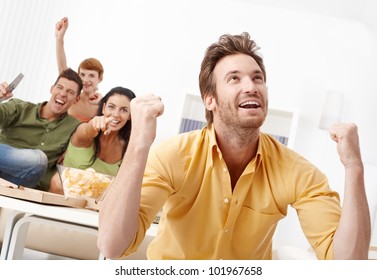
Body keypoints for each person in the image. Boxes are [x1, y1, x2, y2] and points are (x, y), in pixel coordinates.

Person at [97, 32, 371, 260]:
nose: (252, 86)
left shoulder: (296, 171)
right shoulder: (175, 156)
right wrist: (139, 144)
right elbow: (112, 245)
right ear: (210, 100)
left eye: (258, 78)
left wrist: (354, 167)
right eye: (234, 78)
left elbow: (346, 264)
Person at [0, 68, 83, 191]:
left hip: (25, 183)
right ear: (52, 89)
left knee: (38, 160)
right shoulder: (19, 108)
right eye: (59, 87)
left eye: (70, 92)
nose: (63, 94)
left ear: (77, 99)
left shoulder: (75, 127)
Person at [49, 86, 136, 194]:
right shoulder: (83, 132)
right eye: (111, 107)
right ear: (103, 108)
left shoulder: (127, 148)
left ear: (130, 116)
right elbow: (87, 130)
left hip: (95, 205)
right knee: (58, 180)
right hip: (62, 199)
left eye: (124, 110)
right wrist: (93, 125)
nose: (116, 114)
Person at [55, 17, 104, 122]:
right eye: (82, 74)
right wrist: (60, 38)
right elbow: (62, 68)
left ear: (100, 78)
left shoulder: (102, 105)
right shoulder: (72, 97)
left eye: (91, 75)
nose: (85, 80)